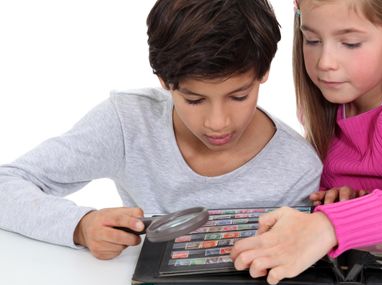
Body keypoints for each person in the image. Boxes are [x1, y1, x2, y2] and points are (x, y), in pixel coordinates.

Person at [0, 0, 322, 259]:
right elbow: (7, 183)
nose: (218, 122)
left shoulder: (298, 168)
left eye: (239, 96)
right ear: (165, 82)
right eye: (194, 100)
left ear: (263, 73)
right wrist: (80, 226)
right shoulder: (129, 123)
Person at [231, 0, 382, 284]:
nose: (324, 62)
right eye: (311, 39)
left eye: (350, 43)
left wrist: (329, 226)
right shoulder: (333, 103)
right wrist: (333, 195)